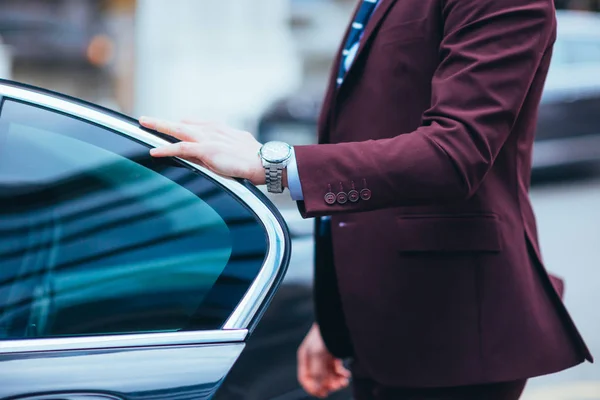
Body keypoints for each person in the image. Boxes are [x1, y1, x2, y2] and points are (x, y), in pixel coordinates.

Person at [139, 0, 593, 398]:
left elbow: (454, 154)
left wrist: (270, 163)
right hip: (376, 325)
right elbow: (371, 136)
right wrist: (336, 319)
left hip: (454, 336)